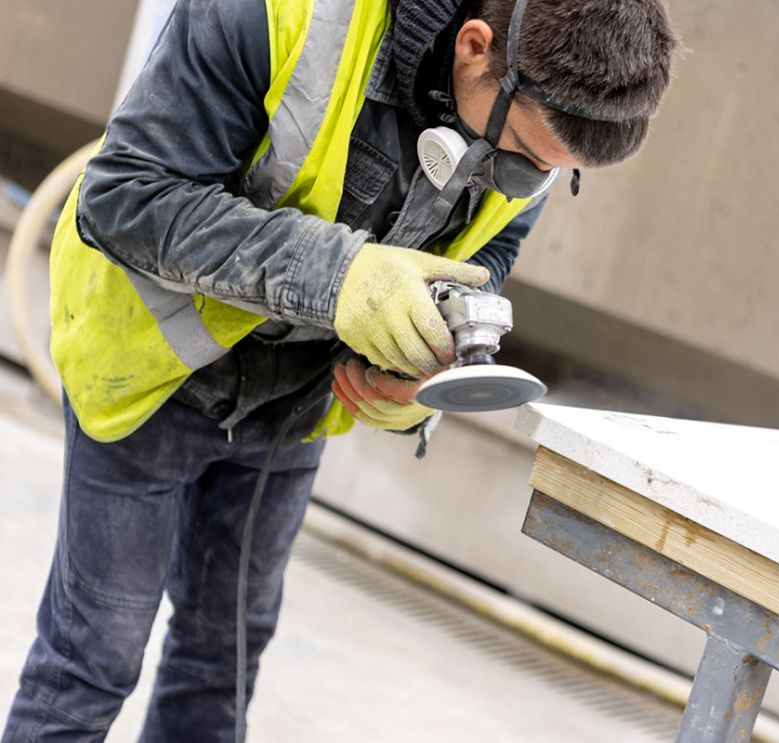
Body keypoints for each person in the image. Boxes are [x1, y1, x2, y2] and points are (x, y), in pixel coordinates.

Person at [2, 0, 676, 739]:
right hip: (150, 372)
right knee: (94, 658)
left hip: (293, 403)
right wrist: (341, 277)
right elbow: (127, 196)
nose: (523, 179)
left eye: (552, 174)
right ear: (475, 47)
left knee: (220, 663)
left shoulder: (533, 127)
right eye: (520, 152)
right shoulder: (275, 15)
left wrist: (421, 369)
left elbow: (485, 257)